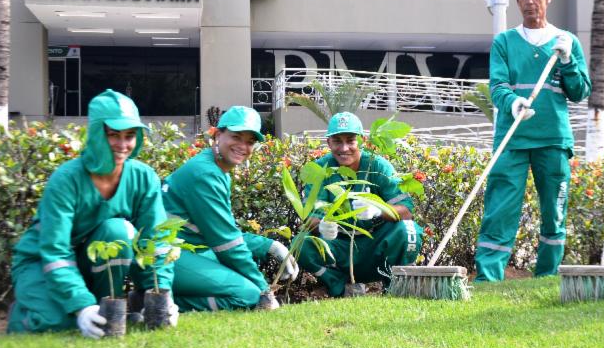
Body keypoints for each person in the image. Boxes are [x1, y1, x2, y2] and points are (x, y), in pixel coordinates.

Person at [7, 89, 177, 337]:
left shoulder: (143, 177)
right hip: (41, 262)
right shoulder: (66, 179)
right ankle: (21, 312)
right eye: (113, 135)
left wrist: (162, 295)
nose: (123, 145)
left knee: (118, 231)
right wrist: (81, 307)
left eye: (130, 136)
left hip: (89, 262)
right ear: (98, 134)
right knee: (60, 321)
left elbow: (156, 240)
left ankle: (101, 304)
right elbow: (55, 250)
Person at [475, 0, 591, 282]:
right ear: (517, 0)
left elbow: (580, 91)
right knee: (500, 207)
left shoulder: (566, 41)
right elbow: (497, 86)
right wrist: (513, 102)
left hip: (553, 138)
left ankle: (548, 274)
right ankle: (488, 276)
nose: (529, 1)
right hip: (512, 138)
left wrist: (567, 61)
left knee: (554, 209)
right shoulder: (505, 42)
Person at [161, 106, 298, 311]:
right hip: (163, 254)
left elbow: (221, 231)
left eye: (250, 141)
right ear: (218, 135)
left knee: (242, 283)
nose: (243, 146)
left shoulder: (215, 168)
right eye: (236, 137)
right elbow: (225, 242)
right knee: (249, 296)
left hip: (183, 250)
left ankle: (163, 298)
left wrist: (270, 246)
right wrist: (264, 291)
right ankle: (165, 303)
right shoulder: (206, 174)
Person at [297, 111, 422, 297]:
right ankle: (340, 287)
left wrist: (379, 210)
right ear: (328, 143)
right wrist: (322, 227)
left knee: (409, 230)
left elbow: (407, 211)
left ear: (362, 140)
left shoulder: (377, 166)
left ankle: (396, 287)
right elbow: (309, 218)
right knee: (301, 244)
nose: (344, 148)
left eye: (351, 140)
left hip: (376, 246)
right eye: (337, 141)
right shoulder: (320, 169)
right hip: (339, 247)